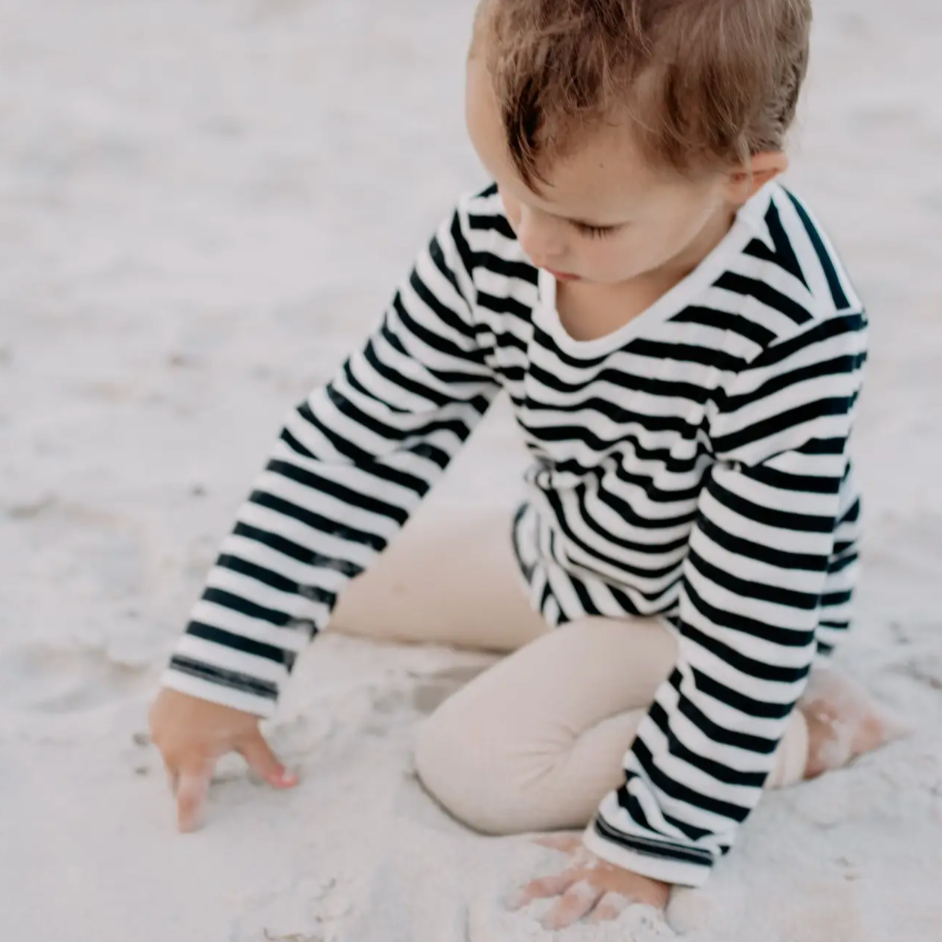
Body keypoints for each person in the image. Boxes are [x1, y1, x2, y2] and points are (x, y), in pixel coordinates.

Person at [149, 0, 905, 929]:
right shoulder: (498, 240)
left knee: (472, 767)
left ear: (741, 178)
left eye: (588, 225)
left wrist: (649, 846)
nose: (537, 243)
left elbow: (753, 617)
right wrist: (219, 671)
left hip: (707, 617)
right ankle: (564, 648)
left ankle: (813, 729)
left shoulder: (794, 328)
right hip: (568, 552)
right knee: (337, 581)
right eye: (511, 187)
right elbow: (359, 439)